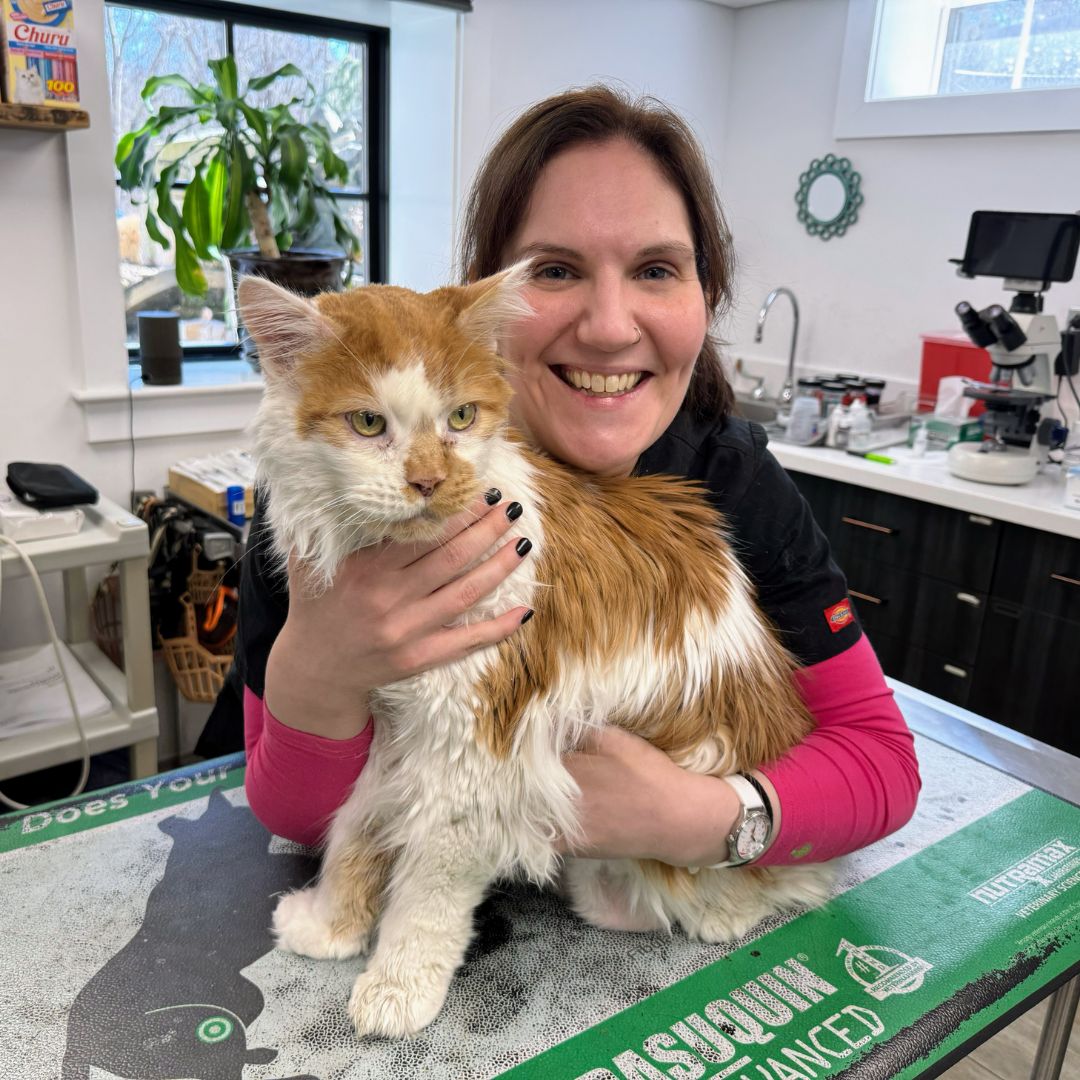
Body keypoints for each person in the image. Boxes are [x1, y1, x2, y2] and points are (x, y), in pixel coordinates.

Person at [206, 85, 920, 870]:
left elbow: (881, 763)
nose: (611, 328)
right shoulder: (337, 485)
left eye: (656, 269)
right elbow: (293, 819)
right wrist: (319, 668)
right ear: (482, 303)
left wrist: (706, 817)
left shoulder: (733, 481)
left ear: (705, 295)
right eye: (553, 270)